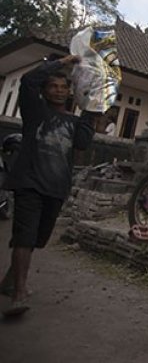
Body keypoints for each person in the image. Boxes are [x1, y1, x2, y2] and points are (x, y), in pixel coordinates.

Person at [0, 55, 97, 317]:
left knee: (38, 239)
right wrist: (63, 62)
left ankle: (9, 280)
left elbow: (83, 143)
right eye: (53, 86)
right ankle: (19, 293)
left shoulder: (74, 122)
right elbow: (29, 80)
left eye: (64, 88)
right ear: (44, 91)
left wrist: (90, 108)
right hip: (30, 183)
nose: (59, 91)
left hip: (56, 187)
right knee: (25, 236)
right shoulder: (35, 111)